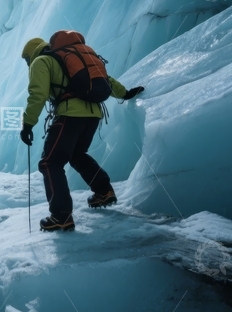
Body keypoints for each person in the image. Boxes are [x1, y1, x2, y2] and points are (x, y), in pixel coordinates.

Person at [20, 32, 145, 232]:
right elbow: (105, 79)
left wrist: (27, 124)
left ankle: (61, 216)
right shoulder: (69, 58)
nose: (27, 63)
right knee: (77, 155)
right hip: (93, 115)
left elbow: (38, 94)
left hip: (69, 116)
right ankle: (103, 191)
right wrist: (125, 93)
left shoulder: (41, 61)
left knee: (50, 162)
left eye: (26, 59)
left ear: (30, 55)